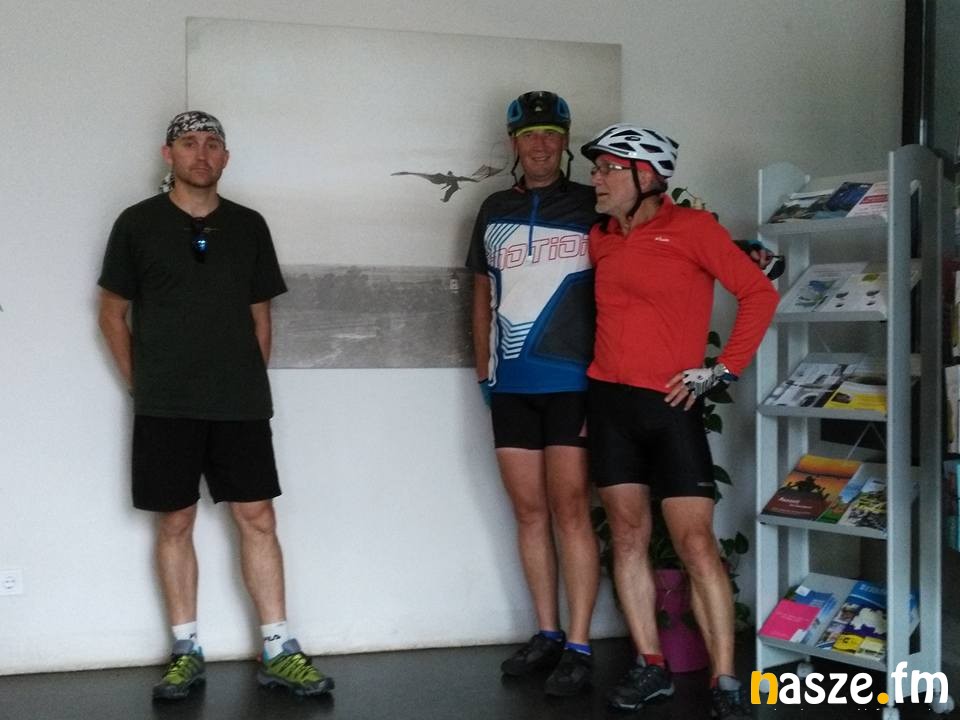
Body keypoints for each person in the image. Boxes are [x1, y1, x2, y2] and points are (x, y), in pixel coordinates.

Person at [97, 111, 334, 701]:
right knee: (175, 522)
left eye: (211, 144)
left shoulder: (249, 226)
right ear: (168, 154)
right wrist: (143, 386)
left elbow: (261, 317)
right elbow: (111, 314)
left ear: (225, 157)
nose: (200, 154)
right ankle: (185, 650)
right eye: (188, 143)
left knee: (259, 519)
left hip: (239, 403)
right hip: (166, 406)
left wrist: (246, 381)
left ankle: (278, 649)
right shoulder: (136, 223)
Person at [579, 124, 778, 718]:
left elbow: (758, 293)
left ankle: (725, 681)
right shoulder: (600, 238)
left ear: (646, 176)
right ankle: (651, 666)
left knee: (696, 544)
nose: (596, 178)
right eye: (596, 168)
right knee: (626, 537)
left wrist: (721, 372)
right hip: (609, 405)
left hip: (670, 408)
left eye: (608, 168)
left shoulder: (694, 229)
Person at [465, 91, 601, 696]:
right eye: (529, 135)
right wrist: (483, 374)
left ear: (565, 140)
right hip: (511, 385)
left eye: (550, 134)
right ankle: (546, 631)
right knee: (528, 513)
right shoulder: (493, 207)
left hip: (572, 383)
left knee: (571, 510)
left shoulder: (592, 204)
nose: (540, 144)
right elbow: (481, 296)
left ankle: (580, 643)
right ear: (513, 144)